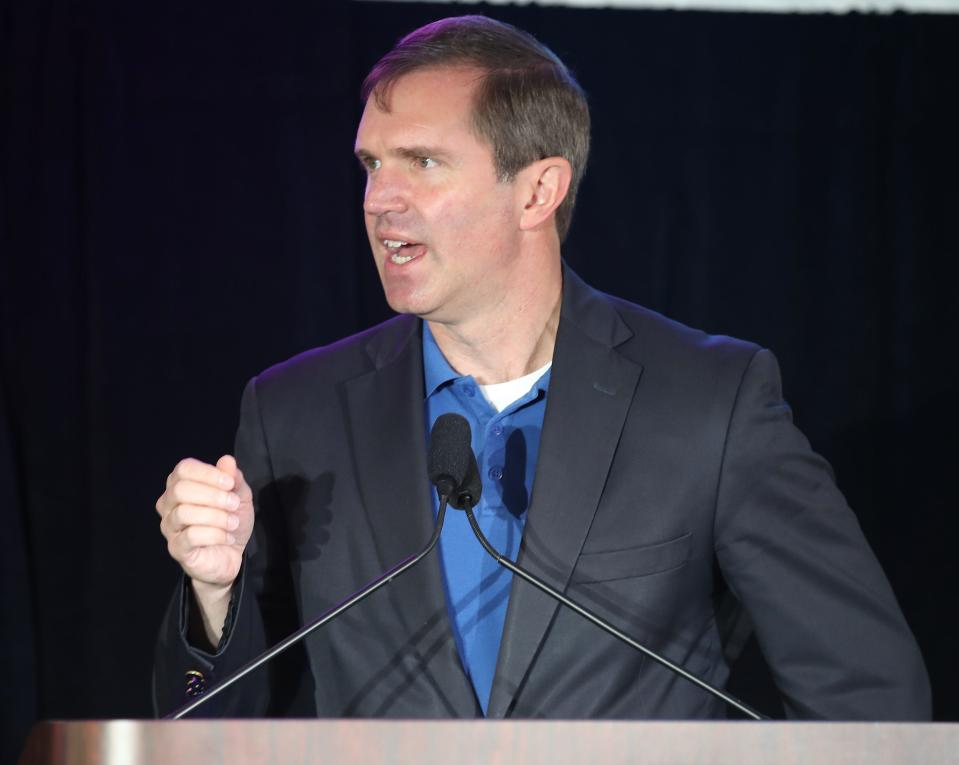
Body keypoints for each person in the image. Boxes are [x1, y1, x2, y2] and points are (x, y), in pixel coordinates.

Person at [153, 15, 930, 720]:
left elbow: (868, 699)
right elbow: (207, 725)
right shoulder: (296, 413)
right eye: (371, 164)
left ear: (537, 190)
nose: (379, 198)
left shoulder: (708, 403)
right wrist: (213, 596)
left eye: (421, 161)